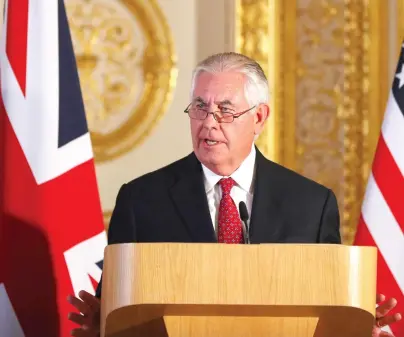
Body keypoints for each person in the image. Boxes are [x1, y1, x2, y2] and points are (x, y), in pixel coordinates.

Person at [67, 52, 402, 336]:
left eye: (225, 110)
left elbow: (327, 310)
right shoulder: (141, 200)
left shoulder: (311, 205)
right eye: (199, 107)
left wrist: (356, 326)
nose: (209, 122)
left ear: (258, 117)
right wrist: (103, 322)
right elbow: (115, 309)